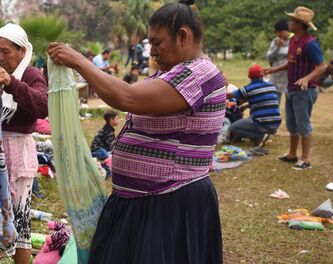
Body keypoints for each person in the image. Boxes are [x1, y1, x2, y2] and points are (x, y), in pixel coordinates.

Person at [48, 0, 224, 263]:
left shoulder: (197, 74)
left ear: (183, 36)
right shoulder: (175, 72)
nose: (152, 52)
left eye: (157, 42)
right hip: (142, 200)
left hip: (168, 201)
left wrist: (79, 61)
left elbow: (128, 97)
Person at [0, 23, 48, 264]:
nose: (0, 57)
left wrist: (12, 84)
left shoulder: (31, 74)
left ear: (22, 51)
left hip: (19, 152)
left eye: (6, 51)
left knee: (20, 219)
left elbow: (43, 106)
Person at [265, 6, 327, 170]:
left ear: (299, 24)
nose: (289, 23)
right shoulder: (293, 40)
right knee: (292, 124)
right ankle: (292, 154)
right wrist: (275, 69)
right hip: (291, 88)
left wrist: (307, 78)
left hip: (304, 92)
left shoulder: (310, 43)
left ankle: (305, 159)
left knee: (303, 124)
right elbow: (291, 63)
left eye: (292, 20)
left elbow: (322, 66)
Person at [228, 65, 281, 147]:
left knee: (233, 128)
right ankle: (266, 133)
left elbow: (230, 95)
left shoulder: (249, 88)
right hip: (275, 123)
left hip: (262, 122)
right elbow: (263, 100)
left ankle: (259, 136)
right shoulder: (271, 85)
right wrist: (247, 105)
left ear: (249, 76)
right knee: (250, 119)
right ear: (262, 75)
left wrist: (214, 94)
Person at [266, 20, 290, 104]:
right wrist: (277, 47)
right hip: (276, 75)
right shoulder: (275, 41)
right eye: (276, 32)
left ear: (287, 30)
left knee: (290, 102)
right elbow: (269, 57)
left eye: (280, 31)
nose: (278, 34)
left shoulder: (294, 41)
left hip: (289, 76)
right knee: (274, 102)